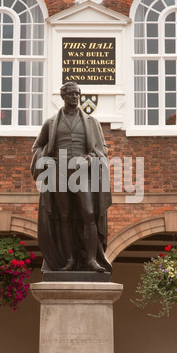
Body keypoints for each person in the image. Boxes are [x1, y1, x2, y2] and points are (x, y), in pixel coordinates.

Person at [30, 81, 112, 274]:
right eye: (71, 94)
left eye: (77, 94)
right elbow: (37, 147)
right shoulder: (51, 123)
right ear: (63, 97)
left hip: (82, 173)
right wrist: (47, 158)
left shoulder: (92, 122)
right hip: (59, 171)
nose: (75, 97)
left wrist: (89, 158)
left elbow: (102, 150)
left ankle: (91, 259)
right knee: (64, 216)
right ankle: (69, 260)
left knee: (89, 213)